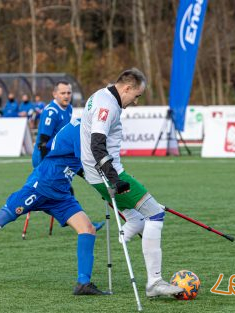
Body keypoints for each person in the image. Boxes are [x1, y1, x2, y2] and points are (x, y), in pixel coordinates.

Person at [0, 119, 108, 296]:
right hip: (42, 186)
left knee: (87, 229)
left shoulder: (86, 126)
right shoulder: (80, 128)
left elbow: (79, 163)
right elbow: (89, 158)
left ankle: (83, 283)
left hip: (61, 194)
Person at [80, 68, 184, 297]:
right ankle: (154, 283)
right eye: (136, 95)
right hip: (106, 174)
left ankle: (126, 232)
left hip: (97, 174)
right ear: (126, 88)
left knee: (137, 217)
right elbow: (97, 143)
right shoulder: (106, 105)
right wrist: (115, 179)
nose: (136, 102)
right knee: (155, 214)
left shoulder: (101, 96)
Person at [32, 81, 73, 168]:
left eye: (69, 93)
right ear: (55, 94)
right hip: (45, 157)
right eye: (63, 93)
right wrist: (45, 164)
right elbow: (43, 142)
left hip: (57, 155)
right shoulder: (51, 112)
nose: (66, 96)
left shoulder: (69, 108)